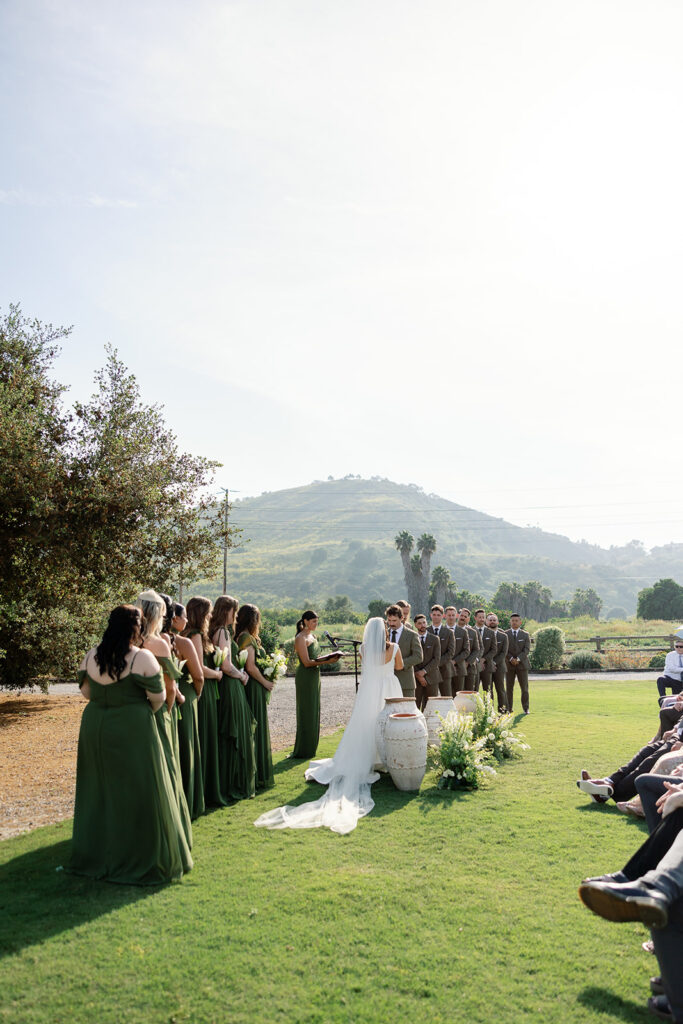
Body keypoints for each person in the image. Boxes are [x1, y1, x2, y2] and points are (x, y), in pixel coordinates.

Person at [68, 604, 192, 885]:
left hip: (96, 727)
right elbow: (158, 698)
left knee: (100, 789)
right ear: (136, 629)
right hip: (134, 727)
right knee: (139, 789)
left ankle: (100, 854)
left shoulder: (91, 656)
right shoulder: (142, 658)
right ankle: (140, 854)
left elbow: (87, 693)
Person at [254, 617, 404, 834]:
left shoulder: (363, 649)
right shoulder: (395, 648)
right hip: (389, 687)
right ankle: (386, 760)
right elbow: (399, 666)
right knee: (388, 724)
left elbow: (367, 667)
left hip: (369, 691)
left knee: (365, 724)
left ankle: (369, 759)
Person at [137, 589, 192, 847]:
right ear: (158, 614)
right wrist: (169, 710)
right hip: (157, 711)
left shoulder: (129, 640)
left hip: (134, 711)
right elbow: (170, 687)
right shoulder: (157, 643)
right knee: (164, 765)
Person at [209, 595, 257, 803]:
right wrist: (242, 675)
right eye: (234, 612)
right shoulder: (222, 632)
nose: (236, 616)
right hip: (230, 686)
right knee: (235, 731)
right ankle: (233, 783)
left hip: (230, 684)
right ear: (226, 611)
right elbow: (226, 666)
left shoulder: (219, 631)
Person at [184, 597, 226, 808]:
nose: (211, 616)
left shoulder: (189, 633)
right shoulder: (196, 635)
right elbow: (198, 668)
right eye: (208, 612)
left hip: (205, 688)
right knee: (206, 736)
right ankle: (207, 791)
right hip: (204, 688)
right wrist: (217, 676)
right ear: (201, 614)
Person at [169, 601, 206, 820]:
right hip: (185, 692)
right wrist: (196, 693)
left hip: (164, 696)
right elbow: (199, 675)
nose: (187, 622)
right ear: (175, 619)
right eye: (184, 618)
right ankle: (189, 801)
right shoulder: (182, 643)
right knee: (187, 747)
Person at [292, 609, 342, 759]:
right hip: (306, 676)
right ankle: (303, 748)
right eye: (313, 621)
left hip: (315, 675)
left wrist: (328, 657)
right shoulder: (300, 638)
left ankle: (311, 746)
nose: (315, 624)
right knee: (306, 710)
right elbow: (306, 662)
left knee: (314, 709)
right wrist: (329, 661)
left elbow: (316, 657)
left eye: (316, 621)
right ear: (305, 621)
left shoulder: (312, 636)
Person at [235, 603, 275, 789]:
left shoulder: (248, 637)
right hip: (254, 686)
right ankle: (257, 773)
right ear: (253, 620)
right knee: (256, 725)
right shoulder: (245, 638)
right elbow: (250, 666)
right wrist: (266, 682)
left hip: (257, 685)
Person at [385, 603, 422, 698]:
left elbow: (418, 657)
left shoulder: (412, 635)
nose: (391, 623)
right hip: (386, 683)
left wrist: (399, 664)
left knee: (407, 711)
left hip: (405, 682)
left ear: (402, 618)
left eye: (394, 620)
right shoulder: (383, 634)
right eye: (389, 620)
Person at [414, 613, 442, 711]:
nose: (423, 625)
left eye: (424, 622)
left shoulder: (435, 639)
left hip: (432, 677)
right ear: (415, 625)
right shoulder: (412, 638)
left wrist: (424, 672)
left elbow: (437, 659)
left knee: (431, 707)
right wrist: (418, 675)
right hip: (415, 678)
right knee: (415, 706)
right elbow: (412, 657)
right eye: (420, 623)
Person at [505, 614, 531, 713]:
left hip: (522, 665)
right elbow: (504, 649)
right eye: (513, 620)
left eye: (516, 620)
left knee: (524, 688)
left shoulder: (525, 635)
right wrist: (511, 658)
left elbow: (527, 649)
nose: (514, 622)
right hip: (508, 665)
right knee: (509, 688)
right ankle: (509, 708)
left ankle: (526, 708)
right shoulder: (505, 634)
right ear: (510, 622)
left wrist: (518, 659)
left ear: (520, 622)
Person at [430, 604, 456, 697]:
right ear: (431, 615)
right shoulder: (426, 631)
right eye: (434, 614)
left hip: (445, 669)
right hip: (429, 671)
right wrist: (430, 666)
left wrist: (437, 663)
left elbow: (450, 652)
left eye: (438, 615)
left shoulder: (449, 632)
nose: (436, 617)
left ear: (442, 616)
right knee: (429, 699)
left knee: (447, 697)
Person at [486, 612, 509, 712]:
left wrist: (494, 663)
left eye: (494, 620)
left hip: (499, 666)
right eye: (490, 620)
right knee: (488, 691)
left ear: (498, 622)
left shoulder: (503, 636)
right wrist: (489, 662)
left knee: (500, 690)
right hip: (486, 666)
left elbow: (504, 653)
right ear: (487, 622)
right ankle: (489, 712)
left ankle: (502, 711)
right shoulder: (483, 635)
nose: (492, 622)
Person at [444, 606, 470, 692]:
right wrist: (447, 662)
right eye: (449, 615)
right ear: (445, 616)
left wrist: (454, 661)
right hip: (444, 668)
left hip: (459, 668)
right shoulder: (441, 631)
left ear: (457, 616)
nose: (451, 617)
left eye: (453, 615)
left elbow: (466, 650)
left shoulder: (463, 632)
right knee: (446, 695)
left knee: (459, 696)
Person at [473, 609, 497, 696]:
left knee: (488, 690)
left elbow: (494, 650)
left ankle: (489, 709)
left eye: (483, 617)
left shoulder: (490, 632)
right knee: (473, 689)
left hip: (487, 665)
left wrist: (483, 659)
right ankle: (474, 709)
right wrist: (477, 660)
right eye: (480, 617)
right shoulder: (470, 631)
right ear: (475, 618)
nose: (482, 619)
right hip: (474, 665)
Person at [459, 608, 481, 691]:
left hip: (470, 667)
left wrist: (467, 662)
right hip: (455, 667)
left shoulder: (473, 632)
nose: (463, 617)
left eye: (465, 616)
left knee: (470, 693)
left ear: (468, 619)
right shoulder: (452, 630)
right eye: (461, 615)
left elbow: (477, 649)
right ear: (458, 616)